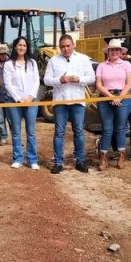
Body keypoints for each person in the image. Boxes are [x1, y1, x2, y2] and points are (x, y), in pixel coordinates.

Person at [43, 34, 95, 174]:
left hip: (77, 100)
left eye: (68, 46)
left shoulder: (83, 59)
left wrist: (79, 79)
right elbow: (47, 80)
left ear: (73, 45)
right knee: (59, 132)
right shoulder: (53, 60)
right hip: (60, 101)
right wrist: (60, 80)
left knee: (78, 130)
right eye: (63, 47)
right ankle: (58, 162)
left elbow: (92, 78)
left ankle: (80, 161)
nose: (65, 49)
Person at [94, 38, 131, 170]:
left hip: (123, 97)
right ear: (108, 51)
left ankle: (121, 155)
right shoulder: (101, 66)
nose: (115, 52)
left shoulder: (126, 65)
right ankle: (103, 157)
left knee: (120, 128)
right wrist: (111, 97)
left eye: (117, 49)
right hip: (105, 97)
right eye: (112, 50)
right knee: (107, 129)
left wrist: (120, 97)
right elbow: (99, 85)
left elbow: (129, 83)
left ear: (121, 51)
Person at [3, 36, 40, 169]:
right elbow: (8, 84)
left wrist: (30, 97)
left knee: (31, 131)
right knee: (16, 131)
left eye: (24, 45)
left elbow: (36, 81)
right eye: (19, 45)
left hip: (31, 101)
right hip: (14, 101)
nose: (22, 48)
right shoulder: (8, 64)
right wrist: (18, 99)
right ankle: (17, 158)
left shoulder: (32, 63)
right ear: (15, 47)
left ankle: (32, 160)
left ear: (27, 47)